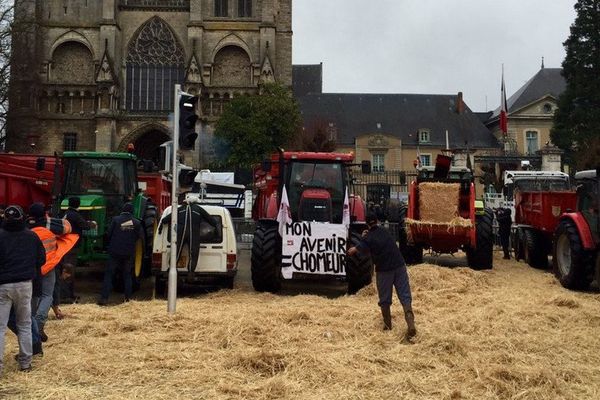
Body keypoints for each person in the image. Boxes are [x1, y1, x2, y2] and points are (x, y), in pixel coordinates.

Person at [347, 212, 417, 338]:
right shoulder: (385, 231)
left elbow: (355, 250)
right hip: (400, 266)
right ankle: (410, 323)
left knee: (385, 299)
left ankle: (387, 325)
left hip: (384, 270)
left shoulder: (368, 238)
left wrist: (353, 246)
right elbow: (376, 238)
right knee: (405, 295)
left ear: (367, 224)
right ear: (377, 221)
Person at [0, 205, 46, 374]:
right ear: (22, 218)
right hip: (25, 284)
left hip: (3, 286)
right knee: (25, 324)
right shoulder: (31, 236)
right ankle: (25, 363)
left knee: (0, 327)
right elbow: (41, 259)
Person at [28, 203, 78, 342]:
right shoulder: (49, 224)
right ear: (44, 213)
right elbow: (68, 226)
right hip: (48, 265)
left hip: (31, 267)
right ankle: (39, 324)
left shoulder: (25, 226)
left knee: (33, 296)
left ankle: (32, 325)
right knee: (47, 295)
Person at [98, 203, 144, 305]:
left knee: (109, 274)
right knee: (127, 275)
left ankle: (104, 298)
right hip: (128, 253)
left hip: (115, 251)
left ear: (122, 209)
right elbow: (138, 237)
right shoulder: (136, 222)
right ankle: (127, 299)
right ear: (132, 211)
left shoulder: (115, 220)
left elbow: (109, 234)